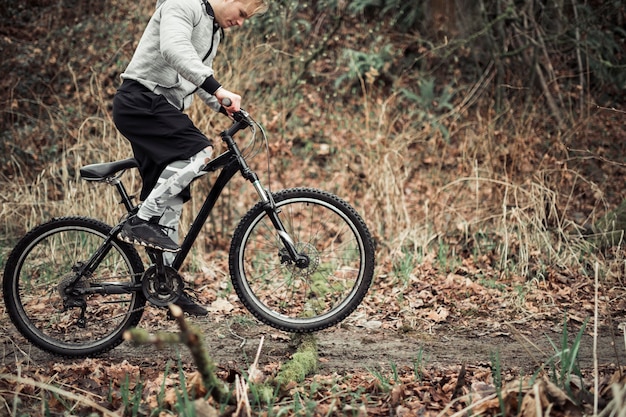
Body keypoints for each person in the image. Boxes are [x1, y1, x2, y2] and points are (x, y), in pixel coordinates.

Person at [112, 0, 267, 315]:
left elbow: (196, 77)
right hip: (141, 101)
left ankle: (165, 287)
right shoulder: (182, 4)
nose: (240, 22)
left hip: (158, 108)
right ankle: (140, 220)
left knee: (174, 198)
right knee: (199, 149)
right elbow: (174, 50)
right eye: (241, 14)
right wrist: (218, 87)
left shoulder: (213, 30)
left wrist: (226, 105)